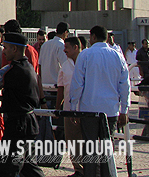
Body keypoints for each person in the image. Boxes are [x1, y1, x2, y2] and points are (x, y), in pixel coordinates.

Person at [69, 25, 130, 177]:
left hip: (89, 109)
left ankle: (90, 174)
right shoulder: (118, 56)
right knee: (107, 148)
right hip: (110, 110)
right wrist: (124, 109)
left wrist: (73, 107)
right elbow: (125, 85)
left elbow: (77, 84)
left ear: (93, 37)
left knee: (90, 148)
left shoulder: (86, 55)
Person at [0, 33, 44, 177]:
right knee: (29, 167)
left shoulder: (13, 70)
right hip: (27, 123)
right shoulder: (28, 67)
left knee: (7, 167)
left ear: (14, 49)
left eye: (6, 47)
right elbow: (21, 97)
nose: (4, 51)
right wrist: (0, 98)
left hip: (19, 125)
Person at [56, 36, 85, 177]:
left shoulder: (87, 62)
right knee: (72, 140)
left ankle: (91, 169)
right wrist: (58, 108)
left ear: (76, 47)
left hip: (86, 110)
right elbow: (61, 88)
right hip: (69, 110)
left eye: (67, 47)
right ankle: (78, 170)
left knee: (87, 141)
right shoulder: (64, 66)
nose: (64, 50)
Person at [39, 22, 69, 87]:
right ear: (65, 32)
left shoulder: (44, 45)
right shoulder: (61, 45)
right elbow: (65, 65)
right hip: (56, 85)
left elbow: (40, 65)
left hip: (44, 84)